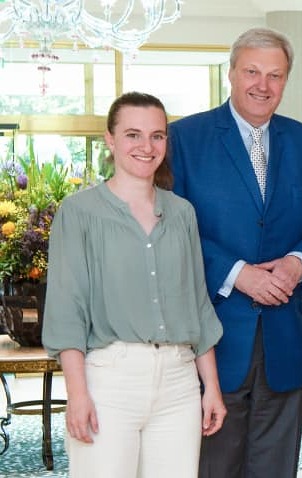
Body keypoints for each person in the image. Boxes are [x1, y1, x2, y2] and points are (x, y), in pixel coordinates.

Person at [167, 27, 302, 477]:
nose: (263, 85)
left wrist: (298, 262)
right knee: (214, 466)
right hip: (213, 337)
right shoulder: (183, 139)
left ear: (286, 80)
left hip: (286, 337)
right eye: (252, 72)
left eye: (275, 75)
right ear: (231, 73)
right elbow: (170, 228)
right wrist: (236, 273)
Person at [42, 91, 226, 478]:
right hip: (109, 380)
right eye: (133, 135)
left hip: (179, 382)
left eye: (157, 136)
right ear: (110, 140)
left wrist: (210, 385)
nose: (147, 146)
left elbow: (197, 303)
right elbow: (67, 309)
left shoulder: (182, 212)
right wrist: (77, 393)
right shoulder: (78, 212)